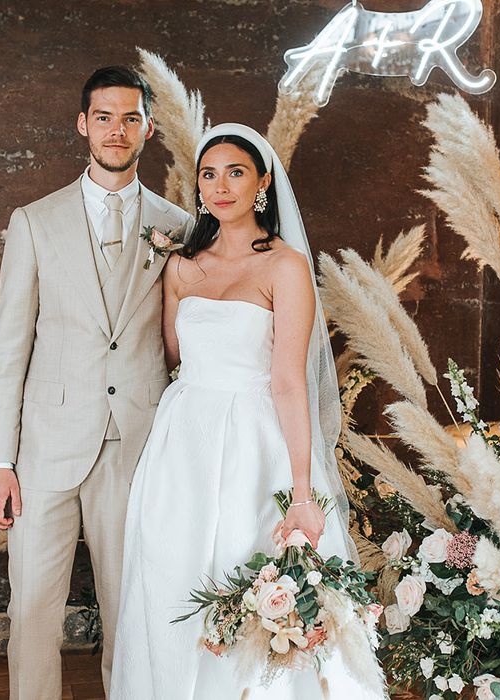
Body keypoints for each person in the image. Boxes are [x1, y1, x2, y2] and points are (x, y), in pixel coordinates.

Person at [110, 123, 386, 699]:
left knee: (248, 561)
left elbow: (288, 380)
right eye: (208, 175)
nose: (220, 186)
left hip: (256, 438)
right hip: (183, 437)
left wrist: (305, 491)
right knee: (171, 567)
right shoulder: (181, 267)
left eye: (235, 172)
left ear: (262, 182)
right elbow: (171, 356)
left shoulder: (284, 267)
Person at [0, 66, 193, 698]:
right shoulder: (35, 222)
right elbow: (8, 351)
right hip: (44, 449)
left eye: (130, 118)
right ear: (83, 124)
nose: (117, 130)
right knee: (33, 614)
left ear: (148, 129)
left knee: (133, 611)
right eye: (104, 116)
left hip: (137, 444)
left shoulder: (178, 228)